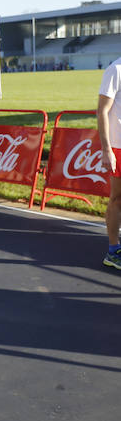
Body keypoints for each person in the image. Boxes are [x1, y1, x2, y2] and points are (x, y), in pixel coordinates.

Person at [98, 55, 121, 270]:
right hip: (119, 146)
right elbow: (102, 110)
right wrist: (107, 150)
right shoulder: (115, 69)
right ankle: (113, 250)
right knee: (117, 199)